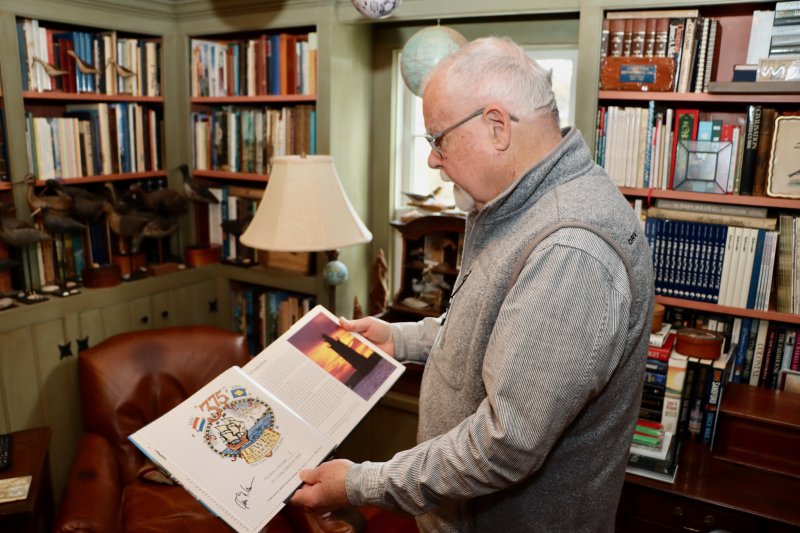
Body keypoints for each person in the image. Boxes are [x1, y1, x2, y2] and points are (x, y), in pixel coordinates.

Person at [291, 36, 654, 532]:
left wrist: (359, 484)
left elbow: (505, 444)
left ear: (497, 126)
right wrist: (401, 338)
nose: (433, 162)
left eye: (437, 140)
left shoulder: (569, 251)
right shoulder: (517, 202)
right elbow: (499, 334)